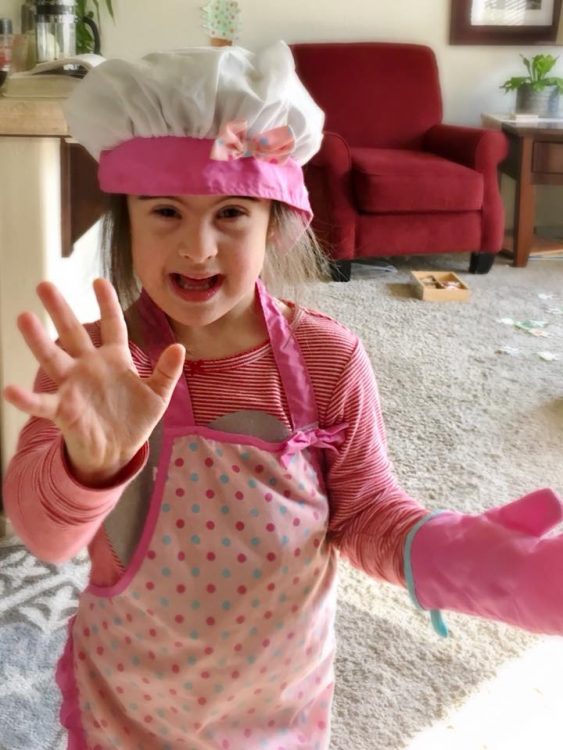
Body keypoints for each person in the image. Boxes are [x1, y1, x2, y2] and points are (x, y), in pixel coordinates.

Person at [2, 41, 562, 750]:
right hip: (126, 705)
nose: (197, 248)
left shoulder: (328, 359)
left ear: (277, 222)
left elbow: (366, 515)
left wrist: (495, 570)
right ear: (127, 219)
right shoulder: (93, 374)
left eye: (231, 213)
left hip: (277, 710)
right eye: (165, 211)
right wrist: (88, 465)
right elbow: (45, 540)